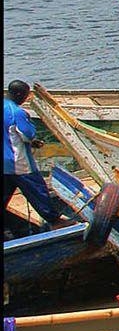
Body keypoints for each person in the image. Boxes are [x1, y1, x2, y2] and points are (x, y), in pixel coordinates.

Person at [3, 80, 55, 237]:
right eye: (25, 96)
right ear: (19, 94)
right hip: (18, 162)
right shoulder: (16, 112)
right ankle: (55, 220)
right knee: (37, 190)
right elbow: (27, 135)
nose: (25, 99)